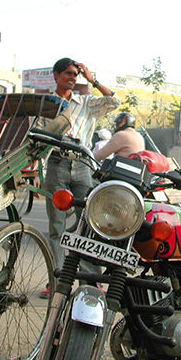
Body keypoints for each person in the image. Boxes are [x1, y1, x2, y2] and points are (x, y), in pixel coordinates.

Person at [40, 58, 120, 298]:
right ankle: (56, 279)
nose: (73, 78)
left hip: (82, 166)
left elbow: (114, 101)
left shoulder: (85, 102)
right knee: (56, 226)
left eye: (76, 74)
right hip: (56, 164)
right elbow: (37, 134)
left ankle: (90, 280)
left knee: (88, 223)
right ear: (56, 75)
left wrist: (92, 79)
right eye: (68, 73)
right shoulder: (45, 104)